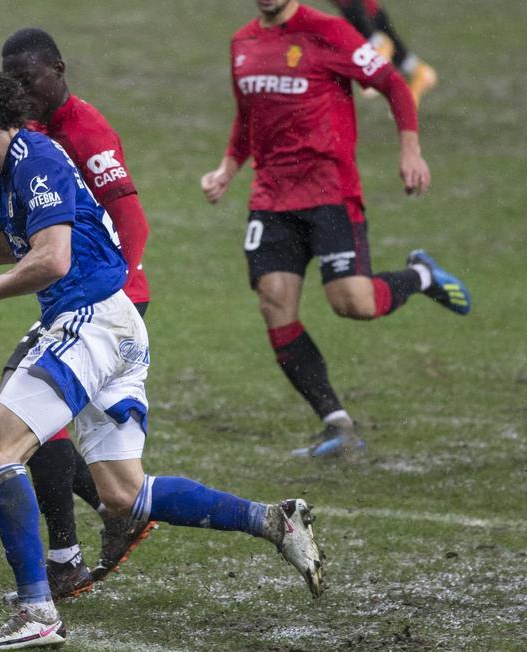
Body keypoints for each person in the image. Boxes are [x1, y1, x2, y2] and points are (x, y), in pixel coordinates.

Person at [0, 71, 323, 651]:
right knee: (123, 494)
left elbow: (51, 259)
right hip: (115, 324)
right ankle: (272, 521)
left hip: (89, 321)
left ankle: (36, 610)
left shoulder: (38, 159)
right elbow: (1, 245)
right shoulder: (1, 176)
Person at [200, 0, 472, 458]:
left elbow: (393, 84)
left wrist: (410, 150)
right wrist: (228, 168)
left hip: (330, 193)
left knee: (353, 303)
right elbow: (248, 116)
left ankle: (421, 276)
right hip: (271, 198)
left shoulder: (329, 32)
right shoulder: (242, 42)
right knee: (274, 303)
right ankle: (336, 423)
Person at [0, 28, 158, 600]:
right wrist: (3, 251)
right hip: (69, 293)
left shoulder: (84, 132)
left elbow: (129, 219)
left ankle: (65, 561)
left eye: (29, 79)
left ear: (58, 70)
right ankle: (87, 540)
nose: (20, 90)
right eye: (10, 80)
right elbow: (33, 223)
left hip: (99, 300)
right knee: (36, 425)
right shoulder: (27, 135)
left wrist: (125, 288)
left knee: (14, 422)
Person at [328, 0, 437, 105]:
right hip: (369, 12)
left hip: (364, 13)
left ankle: (380, 60)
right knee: (402, 59)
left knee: (374, 38)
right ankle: (418, 72)